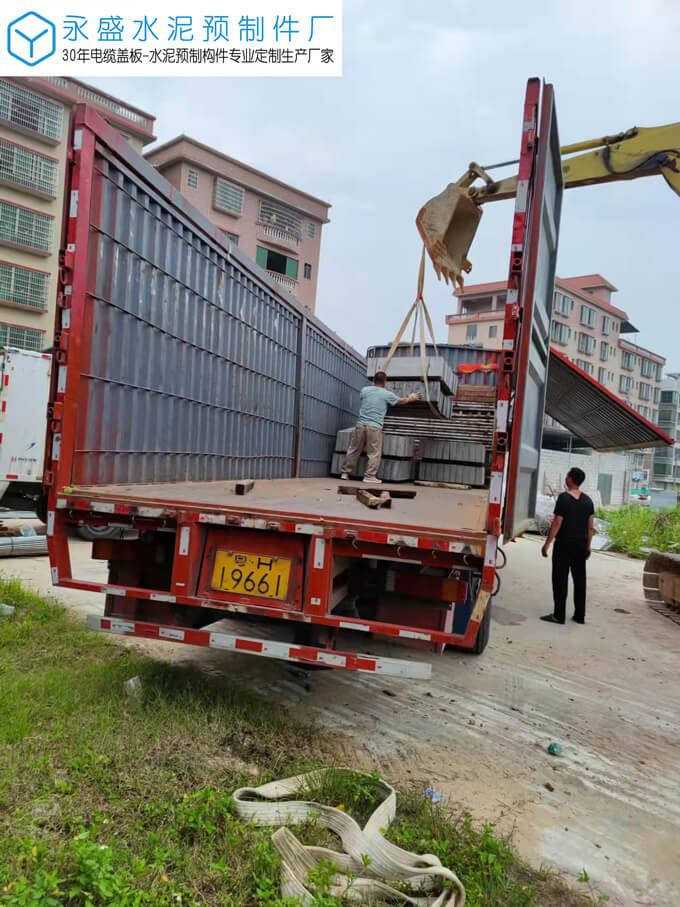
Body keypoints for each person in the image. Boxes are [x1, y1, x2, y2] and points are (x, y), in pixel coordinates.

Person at [341, 372, 420, 484]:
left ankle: (345, 473)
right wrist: (411, 398)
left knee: (354, 449)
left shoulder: (365, 390)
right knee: (374, 452)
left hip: (360, 425)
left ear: (374, 380)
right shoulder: (386, 394)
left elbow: (367, 398)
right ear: (385, 381)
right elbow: (400, 401)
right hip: (374, 426)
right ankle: (369, 476)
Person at [541, 467, 594, 624]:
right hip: (580, 546)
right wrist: (588, 546)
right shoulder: (588, 500)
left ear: (570, 479)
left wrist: (547, 544)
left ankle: (559, 615)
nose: (565, 478)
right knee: (580, 580)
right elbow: (590, 526)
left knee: (560, 579)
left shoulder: (564, 498)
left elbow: (557, 523)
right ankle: (579, 616)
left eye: (567, 475)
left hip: (564, 545)